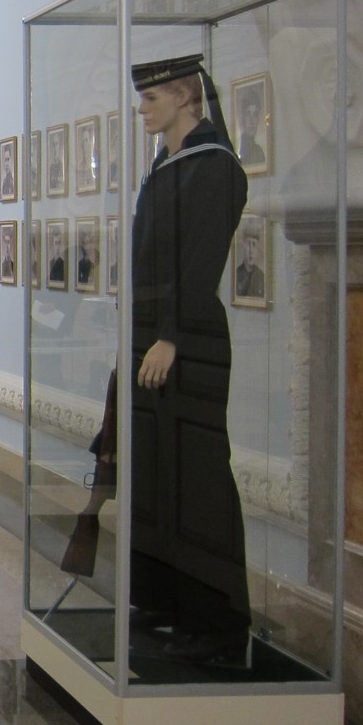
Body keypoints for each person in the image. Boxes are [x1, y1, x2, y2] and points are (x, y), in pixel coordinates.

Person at [71, 53, 251, 668]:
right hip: (149, 339)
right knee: (151, 473)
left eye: (151, 98)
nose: (143, 109)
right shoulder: (166, 166)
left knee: (197, 480)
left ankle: (218, 621)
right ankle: (164, 598)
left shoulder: (214, 167)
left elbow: (201, 262)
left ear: (184, 95)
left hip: (187, 341)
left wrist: (172, 335)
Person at [235, 230, 265, 298]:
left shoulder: (261, 277)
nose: (251, 250)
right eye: (248, 244)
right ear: (243, 247)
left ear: (257, 249)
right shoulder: (236, 274)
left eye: (254, 245)